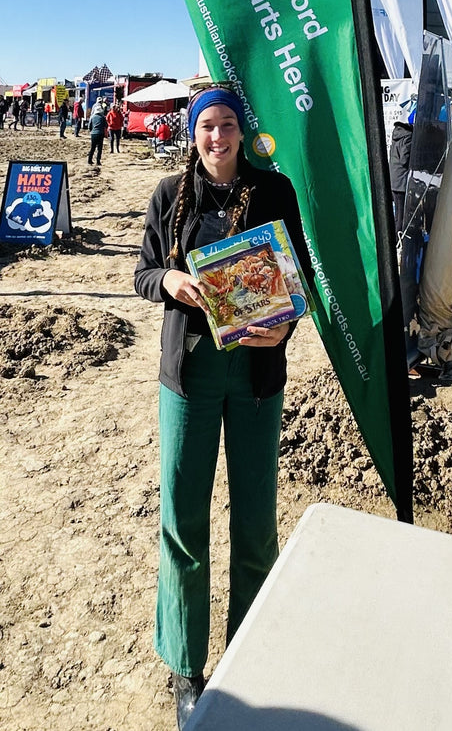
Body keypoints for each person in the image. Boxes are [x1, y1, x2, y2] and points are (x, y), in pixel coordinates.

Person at [134, 85, 313, 730]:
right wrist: (171, 281)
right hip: (188, 377)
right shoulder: (167, 196)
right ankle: (186, 665)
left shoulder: (275, 192)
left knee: (257, 519)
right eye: (206, 126)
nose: (218, 137)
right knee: (183, 517)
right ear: (193, 132)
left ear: (243, 131)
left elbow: (302, 280)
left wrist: (286, 322)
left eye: (228, 125)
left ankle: (248, 649)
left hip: (257, 375)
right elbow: (144, 272)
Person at [389, 109, 414, 241]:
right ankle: (399, 239)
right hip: (401, 181)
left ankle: (395, 237)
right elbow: (404, 159)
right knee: (401, 213)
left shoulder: (397, 135)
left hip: (394, 178)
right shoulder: (409, 137)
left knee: (397, 213)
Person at [87, 101, 107, 166]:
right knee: (99, 148)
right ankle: (98, 161)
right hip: (100, 133)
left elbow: (89, 126)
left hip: (93, 134)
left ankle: (89, 160)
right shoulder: (103, 117)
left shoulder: (92, 117)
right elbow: (106, 126)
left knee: (92, 148)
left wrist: (91, 131)